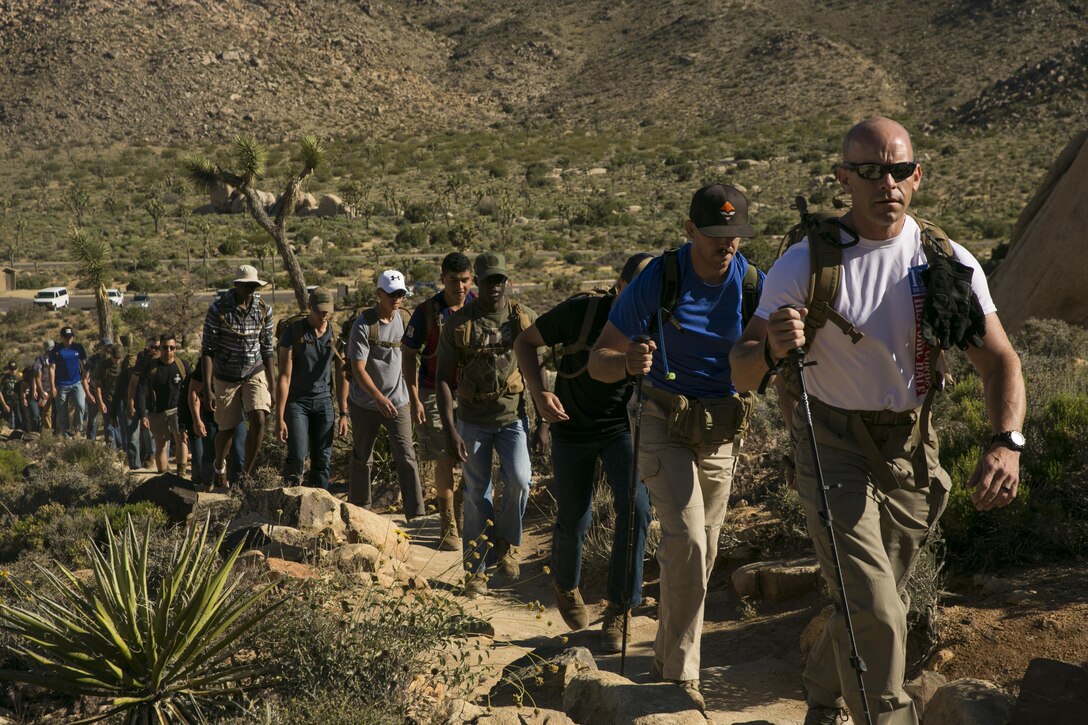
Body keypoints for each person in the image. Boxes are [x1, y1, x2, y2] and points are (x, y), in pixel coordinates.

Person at [730, 117, 1026, 725]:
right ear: (844, 180)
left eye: (897, 169)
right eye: (869, 170)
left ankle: (819, 696)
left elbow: (1000, 362)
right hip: (831, 443)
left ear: (916, 176)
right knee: (879, 607)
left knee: (866, 598)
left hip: (912, 453)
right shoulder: (804, 264)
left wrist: (1006, 441)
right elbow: (739, 371)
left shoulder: (944, 260)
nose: (884, 182)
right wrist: (769, 351)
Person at [588, 183, 763, 711]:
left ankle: (666, 663)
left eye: (735, 234)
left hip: (722, 429)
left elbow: (769, 358)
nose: (727, 244)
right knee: (686, 540)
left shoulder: (754, 282)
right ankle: (684, 678)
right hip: (663, 418)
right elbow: (600, 360)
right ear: (690, 231)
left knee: (702, 555)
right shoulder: (659, 278)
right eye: (715, 234)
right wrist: (626, 364)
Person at [514, 252, 653, 651]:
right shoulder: (583, 312)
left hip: (620, 429)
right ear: (619, 287)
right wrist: (540, 394)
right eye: (634, 292)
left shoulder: (656, 322)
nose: (640, 301)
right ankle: (565, 584)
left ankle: (620, 610)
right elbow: (526, 341)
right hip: (570, 427)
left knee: (637, 508)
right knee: (575, 518)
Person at [436, 252, 540, 597]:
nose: (495, 286)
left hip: (513, 418)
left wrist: (543, 422)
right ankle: (475, 573)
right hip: (472, 421)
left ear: (506, 281)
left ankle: (507, 544)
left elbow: (537, 370)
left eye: (500, 280)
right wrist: (450, 430)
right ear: (476, 283)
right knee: (476, 495)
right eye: (488, 280)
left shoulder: (522, 319)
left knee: (521, 481)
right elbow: (443, 380)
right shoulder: (458, 324)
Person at [402, 252, 475, 550]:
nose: (460, 287)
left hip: (473, 394)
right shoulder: (427, 311)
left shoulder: (478, 307)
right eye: (454, 281)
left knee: (475, 459)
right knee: (444, 457)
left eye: (466, 280)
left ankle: (460, 503)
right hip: (433, 391)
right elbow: (409, 353)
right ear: (442, 278)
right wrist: (414, 396)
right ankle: (448, 526)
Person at [342, 270, 425, 518]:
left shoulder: (405, 320)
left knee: (406, 454)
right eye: (391, 294)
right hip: (366, 402)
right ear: (379, 294)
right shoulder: (363, 325)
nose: (396, 299)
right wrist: (378, 398)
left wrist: (415, 398)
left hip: (398, 400)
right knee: (362, 457)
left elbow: (411, 362)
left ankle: (416, 512)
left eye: (400, 294)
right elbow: (357, 368)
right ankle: (360, 509)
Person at [200, 265, 276, 487]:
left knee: (259, 418)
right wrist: (207, 388)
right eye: (246, 286)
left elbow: (267, 348)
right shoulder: (219, 310)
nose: (251, 290)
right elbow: (208, 350)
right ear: (236, 286)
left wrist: (272, 382)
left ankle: (245, 477)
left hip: (254, 369)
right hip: (225, 375)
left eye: (254, 285)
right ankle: (220, 463)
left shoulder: (263, 310)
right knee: (228, 428)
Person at [275, 287, 337, 489]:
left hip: (324, 401)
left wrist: (344, 411)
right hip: (297, 402)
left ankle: (321, 503)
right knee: (298, 455)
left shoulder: (335, 333)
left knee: (323, 459)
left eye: (327, 311)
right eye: (319, 310)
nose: (323, 315)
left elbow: (344, 372)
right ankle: (289, 500)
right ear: (309, 307)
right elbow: (284, 377)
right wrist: (279, 417)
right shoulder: (294, 332)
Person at [137, 333, 191, 475]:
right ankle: (163, 474)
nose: (169, 351)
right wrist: (143, 415)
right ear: (160, 348)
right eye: (165, 347)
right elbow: (141, 391)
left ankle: (181, 472)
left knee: (181, 440)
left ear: (175, 348)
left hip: (177, 410)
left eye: (172, 348)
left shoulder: (182, 366)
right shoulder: (151, 368)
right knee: (161, 445)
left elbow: (192, 389)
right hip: (157, 412)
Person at [49, 325, 89, 438]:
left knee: (81, 405)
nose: (69, 339)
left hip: (76, 382)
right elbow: (51, 368)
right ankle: (61, 432)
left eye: (71, 337)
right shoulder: (56, 351)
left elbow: (84, 362)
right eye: (66, 337)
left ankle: (78, 430)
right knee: (62, 411)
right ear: (61, 337)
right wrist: (52, 386)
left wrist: (86, 376)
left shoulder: (78, 348)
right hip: (61, 384)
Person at [93, 343, 126, 454]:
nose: (117, 360)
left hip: (122, 400)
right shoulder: (103, 366)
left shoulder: (125, 365)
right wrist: (100, 402)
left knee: (122, 424)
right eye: (115, 357)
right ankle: (111, 449)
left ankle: (122, 448)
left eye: (119, 358)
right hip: (108, 399)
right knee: (109, 425)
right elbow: (97, 385)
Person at [84, 337, 111, 441]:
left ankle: (110, 443)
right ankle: (91, 442)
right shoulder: (93, 360)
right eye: (106, 347)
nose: (108, 350)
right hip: (93, 392)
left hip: (107, 394)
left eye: (109, 347)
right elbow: (84, 379)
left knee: (108, 419)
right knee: (92, 418)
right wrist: (88, 394)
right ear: (101, 348)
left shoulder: (113, 359)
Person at [34, 340, 55, 431]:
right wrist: (41, 391)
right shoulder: (41, 360)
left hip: (59, 387)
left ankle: (61, 430)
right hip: (46, 389)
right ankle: (48, 432)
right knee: (46, 411)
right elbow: (38, 377)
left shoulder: (58, 356)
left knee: (60, 410)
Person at [0, 362, 22, 431]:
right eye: (11, 369)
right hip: (6, 402)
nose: (13, 371)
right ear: (9, 369)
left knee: (19, 419)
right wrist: (4, 405)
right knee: (6, 422)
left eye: (15, 369)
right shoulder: (3, 378)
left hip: (16, 402)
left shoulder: (19, 377)